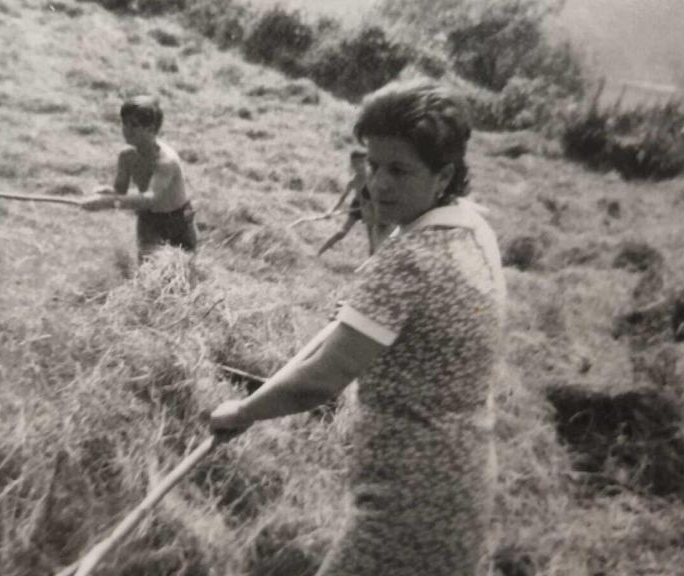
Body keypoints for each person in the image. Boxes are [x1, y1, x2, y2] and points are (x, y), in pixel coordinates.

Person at [208, 79, 506, 576]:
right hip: (463, 475)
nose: (378, 184)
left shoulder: (409, 260)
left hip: (408, 498)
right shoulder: (472, 227)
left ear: (443, 174)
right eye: (373, 164)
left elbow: (320, 381)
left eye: (399, 170)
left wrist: (242, 411)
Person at [80, 95, 197, 263]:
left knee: (181, 273)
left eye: (134, 125)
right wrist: (107, 193)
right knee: (148, 272)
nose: (127, 130)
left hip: (177, 221)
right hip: (149, 220)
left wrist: (106, 202)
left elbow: (149, 198)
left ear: (151, 129)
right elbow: (120, 190)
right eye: (124, 123)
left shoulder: (166, 161)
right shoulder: (127, 156)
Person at [318, 150, 393, 257]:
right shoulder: (353, 182)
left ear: (366, 163)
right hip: (356, 206)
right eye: (355, 164)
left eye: (361, 163)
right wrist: (331, 211)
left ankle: (371, 265)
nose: (358, 166)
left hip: (370, 208)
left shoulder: (373, 178)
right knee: (341, 233)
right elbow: (342, 198)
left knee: (372, 241)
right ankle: (319, 253)